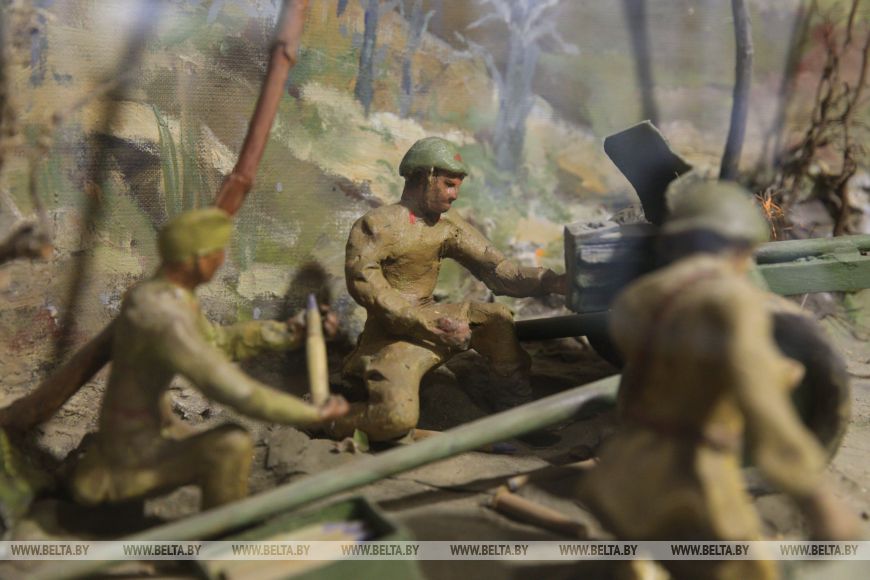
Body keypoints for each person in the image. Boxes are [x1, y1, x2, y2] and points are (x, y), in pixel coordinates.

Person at [577, 180, 861, 579]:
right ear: (742, 245)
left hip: (628, 468)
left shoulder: (637, 298)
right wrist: (820, 503)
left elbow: (674, 372)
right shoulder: (734, 301)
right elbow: (764, 410)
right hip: (692, 478)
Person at [70, 208, 348, 509]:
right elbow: (233, 391)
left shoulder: (160, 295)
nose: (223, 259)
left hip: (145, 430)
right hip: (133, 454)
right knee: (232, 446)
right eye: (219, 253)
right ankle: (221, 535)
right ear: (201, 261)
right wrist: (308, 413)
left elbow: (217, 342)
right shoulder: (167, 318)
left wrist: (289, 331)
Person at [331, 137, 566, 441]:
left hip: (434, 317)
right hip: (393, 335)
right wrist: (422, 322)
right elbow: (364, 282)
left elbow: (497, 270)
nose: (454, 195)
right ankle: (327, 419)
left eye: (457, 186)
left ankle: (515, 411)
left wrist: (550, 281)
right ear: (424, 177)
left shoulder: (446, 225)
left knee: (497, 319)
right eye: (449, 184)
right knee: (396, 418)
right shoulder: (378, 225)